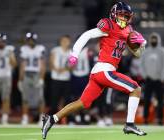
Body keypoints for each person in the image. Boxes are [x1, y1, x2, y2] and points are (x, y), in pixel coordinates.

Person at [42, 2, 147, 139]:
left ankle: (51, 119)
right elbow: (87, 35)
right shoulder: (108, 24)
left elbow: (137, 54)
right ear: (114, 15)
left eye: (127, 16)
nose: (124, 19)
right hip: (105, 70)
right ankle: (129, 124)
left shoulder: (128, 30)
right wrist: (74, 54)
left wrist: (142, 44)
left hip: (100, 72)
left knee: (83, 103)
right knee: (135, 89)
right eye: (122, 15)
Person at [140, 32, 164, 125]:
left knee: (160, 101)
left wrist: (162, 77)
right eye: (152, 39)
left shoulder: (163, 51)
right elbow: (141, 64)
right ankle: (146, 118)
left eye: (155, 39)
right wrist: (145, 76)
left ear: (158, 40)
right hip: (148, 79)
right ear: (149, 40)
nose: (153, 41)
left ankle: (160, 119)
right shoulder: (145, 51)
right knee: (147, 100)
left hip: (159, 80)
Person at [18, 32, 46, 125]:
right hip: (27, 74)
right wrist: (20, 79)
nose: (30, 41)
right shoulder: (24, 49)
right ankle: (25, 117)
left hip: (37, 74)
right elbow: (22, 65)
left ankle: (42, 118)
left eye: (32, 40)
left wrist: (41, 78)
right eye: (29, 40)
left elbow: (42, 64)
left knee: (40, 98)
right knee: (25, 98)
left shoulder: (40, 48)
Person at [49, 35, 71, 117]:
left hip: (66, 78)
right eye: (63, 40)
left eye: (67, 40)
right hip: (56, 78)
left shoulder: (71, 52)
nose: (65, 42)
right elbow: (51, 62)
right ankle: (51, 118)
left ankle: (66, 119)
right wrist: (56, 69)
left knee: (66, 101)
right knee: (54, 100)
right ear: (60, 41)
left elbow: (72, 65)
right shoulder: (55, 50)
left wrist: (65, 68)